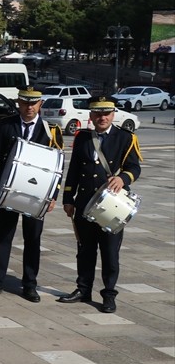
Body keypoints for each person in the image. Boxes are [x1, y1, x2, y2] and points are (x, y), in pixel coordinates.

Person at [60, 95, 142, 313]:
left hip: (112, 205)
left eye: (106, 113)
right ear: (91, 115)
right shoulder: (83, 138)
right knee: (85, 250)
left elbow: (135, 168)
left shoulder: (125, 138)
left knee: (109, 252)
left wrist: (123, 178)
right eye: (97, 113)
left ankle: (109, 294)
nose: (102, 117)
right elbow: (74, 171)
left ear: (113, 114)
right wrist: (68, 199)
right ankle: (83, 289)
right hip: (85, 203)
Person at [0, 87, 63, 302]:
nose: (29, 107)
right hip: (9, 191)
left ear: (40, 104)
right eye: (25, 102)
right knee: (4, 238)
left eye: (33, 103)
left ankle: (29, 284)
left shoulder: (51, 130)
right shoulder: (6, 125)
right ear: (18, 103)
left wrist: (53, 195)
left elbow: (58, 165)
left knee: (33, 239)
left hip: (36, 195)